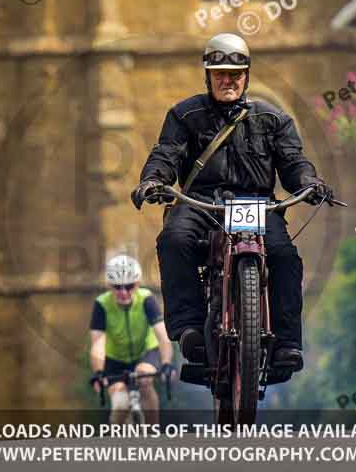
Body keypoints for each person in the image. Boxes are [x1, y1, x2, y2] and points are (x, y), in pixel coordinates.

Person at [131, 33, 332, 381]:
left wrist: (309, 183)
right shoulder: (184, 115)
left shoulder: (273, 119)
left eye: (234, 74)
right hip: (201, 204)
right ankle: (189, 328)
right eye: (219, 73)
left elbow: (294, 162)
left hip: (255, 205)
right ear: (207, 75)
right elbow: (166, 154)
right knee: (173, 240)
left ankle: (287, 343)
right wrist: (154, 180)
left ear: (246, 77)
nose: (227, 80)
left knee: (284, 256)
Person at [89, 254, 175, 424]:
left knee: (144, 380)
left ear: (137, 284)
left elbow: (162, 336)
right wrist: (98, 372)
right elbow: (98, 343)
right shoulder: (101, 304)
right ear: (109, 286)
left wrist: (166, 364)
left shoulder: (146, 299)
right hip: (115, 359)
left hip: (146, 352)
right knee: (120, 404)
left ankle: (153, 433)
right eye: (117, 287)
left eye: (129, 286)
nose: (123, 292)